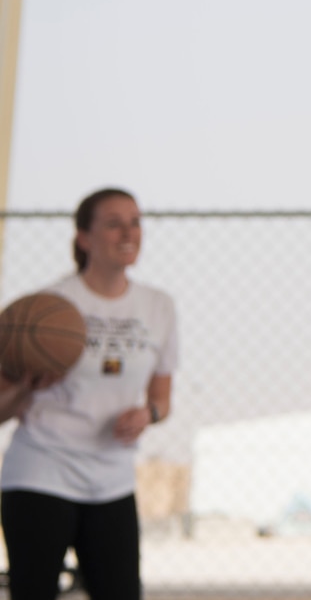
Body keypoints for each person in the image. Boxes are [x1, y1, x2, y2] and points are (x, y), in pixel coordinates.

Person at [0, 188, 177, 600]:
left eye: (135, 222)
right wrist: (25, 388)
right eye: (113, 223)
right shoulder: (44, 310)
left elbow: (164, 401)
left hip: (111, 480)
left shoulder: (158, 306)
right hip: (41, 471)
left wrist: (147, 414)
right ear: (84, 237)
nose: (128, 232)